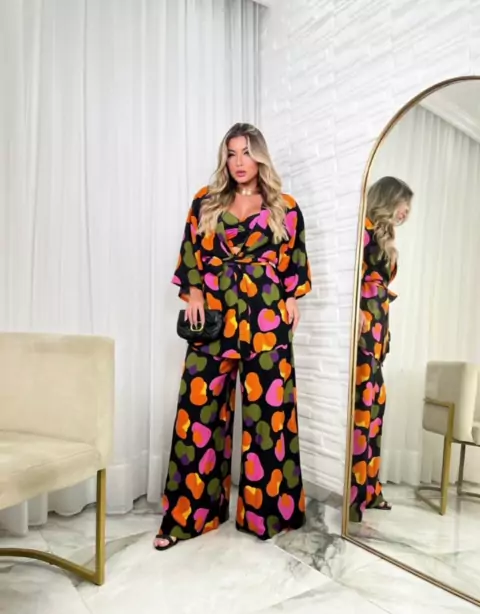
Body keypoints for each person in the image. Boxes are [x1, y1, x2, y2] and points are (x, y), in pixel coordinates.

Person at [154, 123, 312, 550]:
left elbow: (294, 260)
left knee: (269, 416)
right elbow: (191, 252)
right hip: (215, 315)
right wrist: (194, 292)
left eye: (246, 153)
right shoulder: (205, 201)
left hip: (266, 315)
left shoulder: (285, 207)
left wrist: (291, 298)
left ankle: (268, 515)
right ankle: (187, 516)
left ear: (260, 156)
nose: (239, 162)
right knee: (198, 415)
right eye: (231, 153)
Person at [349, 176, 413, 523]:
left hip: (378, 335)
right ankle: (355, 494)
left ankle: (370, 489)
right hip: (363, 333)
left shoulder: (383, 237)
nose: (406, 212)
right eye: (404, 204)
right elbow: (351, 277)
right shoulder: (363, 228)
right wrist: (357, 307)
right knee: (363, 410)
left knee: (375, 410)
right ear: (389, 199)